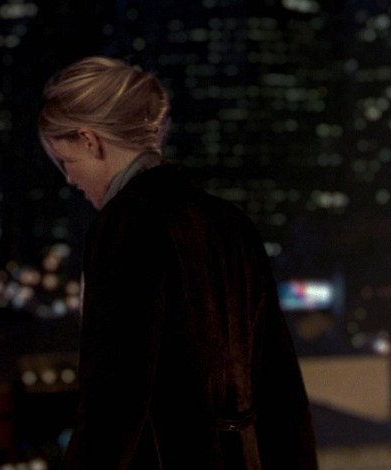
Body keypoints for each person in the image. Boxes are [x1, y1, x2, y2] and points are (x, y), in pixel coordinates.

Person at [38, 56, 318, 470]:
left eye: (67, 161)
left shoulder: (123, 226)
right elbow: (280, 389)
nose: (70, 179)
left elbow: (114, 400)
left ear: (90, 140)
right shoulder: (231, 224)